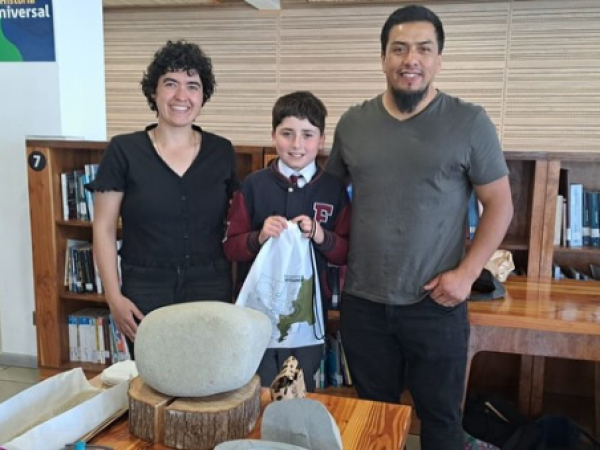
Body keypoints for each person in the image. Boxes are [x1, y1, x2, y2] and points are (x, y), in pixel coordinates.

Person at [325, 5, 514, 450]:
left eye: (424, 49)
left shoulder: (470, 122)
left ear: (439, 60)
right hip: (364, 303)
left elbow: (500, 205)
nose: (411, 59)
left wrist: (467, 275)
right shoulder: (353, 124)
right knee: (373, 422)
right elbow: (326, 198)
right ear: (383, 58)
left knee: (442, 424)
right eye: (399, 49)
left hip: (437, 302)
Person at [88, 40, 239, 356]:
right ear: (153, 92)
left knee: (208, 375)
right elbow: (103, 227)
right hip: (145, 287)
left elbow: (236, 225)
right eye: (170, 83)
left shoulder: (222, 151)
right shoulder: (123, 150)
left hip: (210, 285)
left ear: (203, 95)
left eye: (192, 86)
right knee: (153, 378)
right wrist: (113, 297)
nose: (182, 95)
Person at [224, 91, 351, 391]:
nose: (297, 145)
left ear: (321, 140)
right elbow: (231, 247)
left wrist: (320, 234)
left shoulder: (333, 189)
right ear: (273, 135)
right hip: (259, 315)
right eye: (287, 133)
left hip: (307, 317)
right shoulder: (254, 185)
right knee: (258, 390)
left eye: (307, 135)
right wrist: (259, 236)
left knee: (299, 391)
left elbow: (346, 252)